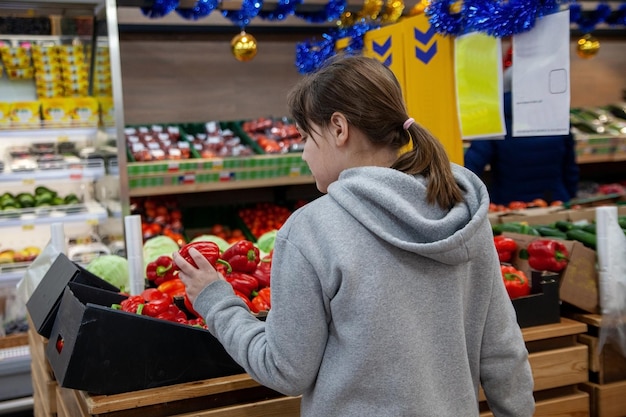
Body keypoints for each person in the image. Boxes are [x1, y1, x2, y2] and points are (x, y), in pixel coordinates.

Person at [174, 54, 535, 417]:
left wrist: (215, 300)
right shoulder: (462, 214)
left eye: (305, 137)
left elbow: (285, 370)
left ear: (338, 128)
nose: (303, 155)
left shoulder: (312, 230)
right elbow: (504, 354)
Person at [463, 68, 580, 206]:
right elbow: (570, 167)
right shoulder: (557, 114)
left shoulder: (495, 119)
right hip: (554, 201)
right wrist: (570, 195)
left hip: (511, 206)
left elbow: (471, 166)